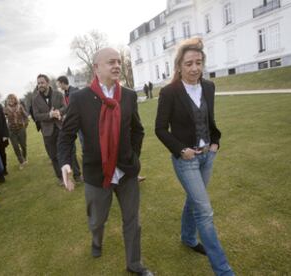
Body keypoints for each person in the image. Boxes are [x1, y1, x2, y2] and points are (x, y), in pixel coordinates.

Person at [58, 48, 153, 276]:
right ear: (96, 67)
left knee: (133, 221)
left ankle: (134, 264)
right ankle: (96, 240)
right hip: (96, 174)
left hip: (127, 173)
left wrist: (132, 156)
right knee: (97, 220)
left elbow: (137, 130)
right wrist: (65, 163)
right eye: (111, 62)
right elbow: (66, 136)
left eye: (119, 61)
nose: (117, 65)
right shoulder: (80, 99)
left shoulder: (128, 95)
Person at [155, 37, 234, 276]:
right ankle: (224, 271)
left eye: (198, 62)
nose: (195, 68)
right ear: (179, 66)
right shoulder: (169, 92)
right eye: (189, 63)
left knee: (194, 200)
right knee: (204, 210)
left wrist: (215, 142)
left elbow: (209, 120)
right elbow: (160, 129)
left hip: (207, 156)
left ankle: (188, 238)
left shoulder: (209, 87)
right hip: (186, 159)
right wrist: (181, 149)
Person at [32, 74, 67, 185]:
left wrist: (59, 112)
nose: (40, 85)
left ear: (48, 83)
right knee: (53, 155)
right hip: (47, 131)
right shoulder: (35, 99)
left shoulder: (58, 94)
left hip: (60, 127)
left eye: (42, 82)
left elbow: (65, 107)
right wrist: (49, 115)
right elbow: (36, 116)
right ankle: (61, 177)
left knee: (66, 152)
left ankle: (75, 174)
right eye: (38, 83)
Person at [57, 75, 83, 183]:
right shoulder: (65, 94)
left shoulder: (75, 91)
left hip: (81, 122)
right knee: (73, 147)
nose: (58, 86)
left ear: (63, 83)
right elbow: (68, 108)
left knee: (84, 143)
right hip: (72, 123)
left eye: (58, 83)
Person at [4, 94, 29, 170]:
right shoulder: (5, 109)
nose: (11, 100)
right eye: (9, 99)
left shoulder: (20, 107)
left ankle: (24, 158)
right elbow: (3, 120)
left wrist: (25, 124)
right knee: (15, 147)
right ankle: (21, 161)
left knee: (23, 145)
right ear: (7, 100)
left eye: (12, 99)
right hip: (11, 131)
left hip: (21, 129)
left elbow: (26, 116)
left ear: (15, 99)